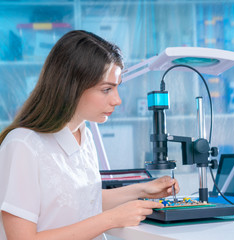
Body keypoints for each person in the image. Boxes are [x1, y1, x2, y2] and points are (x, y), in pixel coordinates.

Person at [0, 30, 179, 240]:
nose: (117, 100)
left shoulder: (83, 135)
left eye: (117, 88)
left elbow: (83, 200)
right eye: (106, 89)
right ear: (71, 87)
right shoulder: (23, 145)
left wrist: (142, 190)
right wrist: (111, 219)